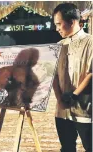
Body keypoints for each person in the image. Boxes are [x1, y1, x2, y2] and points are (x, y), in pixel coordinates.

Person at [53, 3, 92, 152]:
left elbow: (91, 73)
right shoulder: (58, 46)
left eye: (59, 24)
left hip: (85, 109)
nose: (56, 28)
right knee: (67, 148)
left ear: (72, 22)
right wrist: (59, 99)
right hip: (62, 111)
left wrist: (74, 95)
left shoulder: (90, 42)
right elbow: (54, 75)